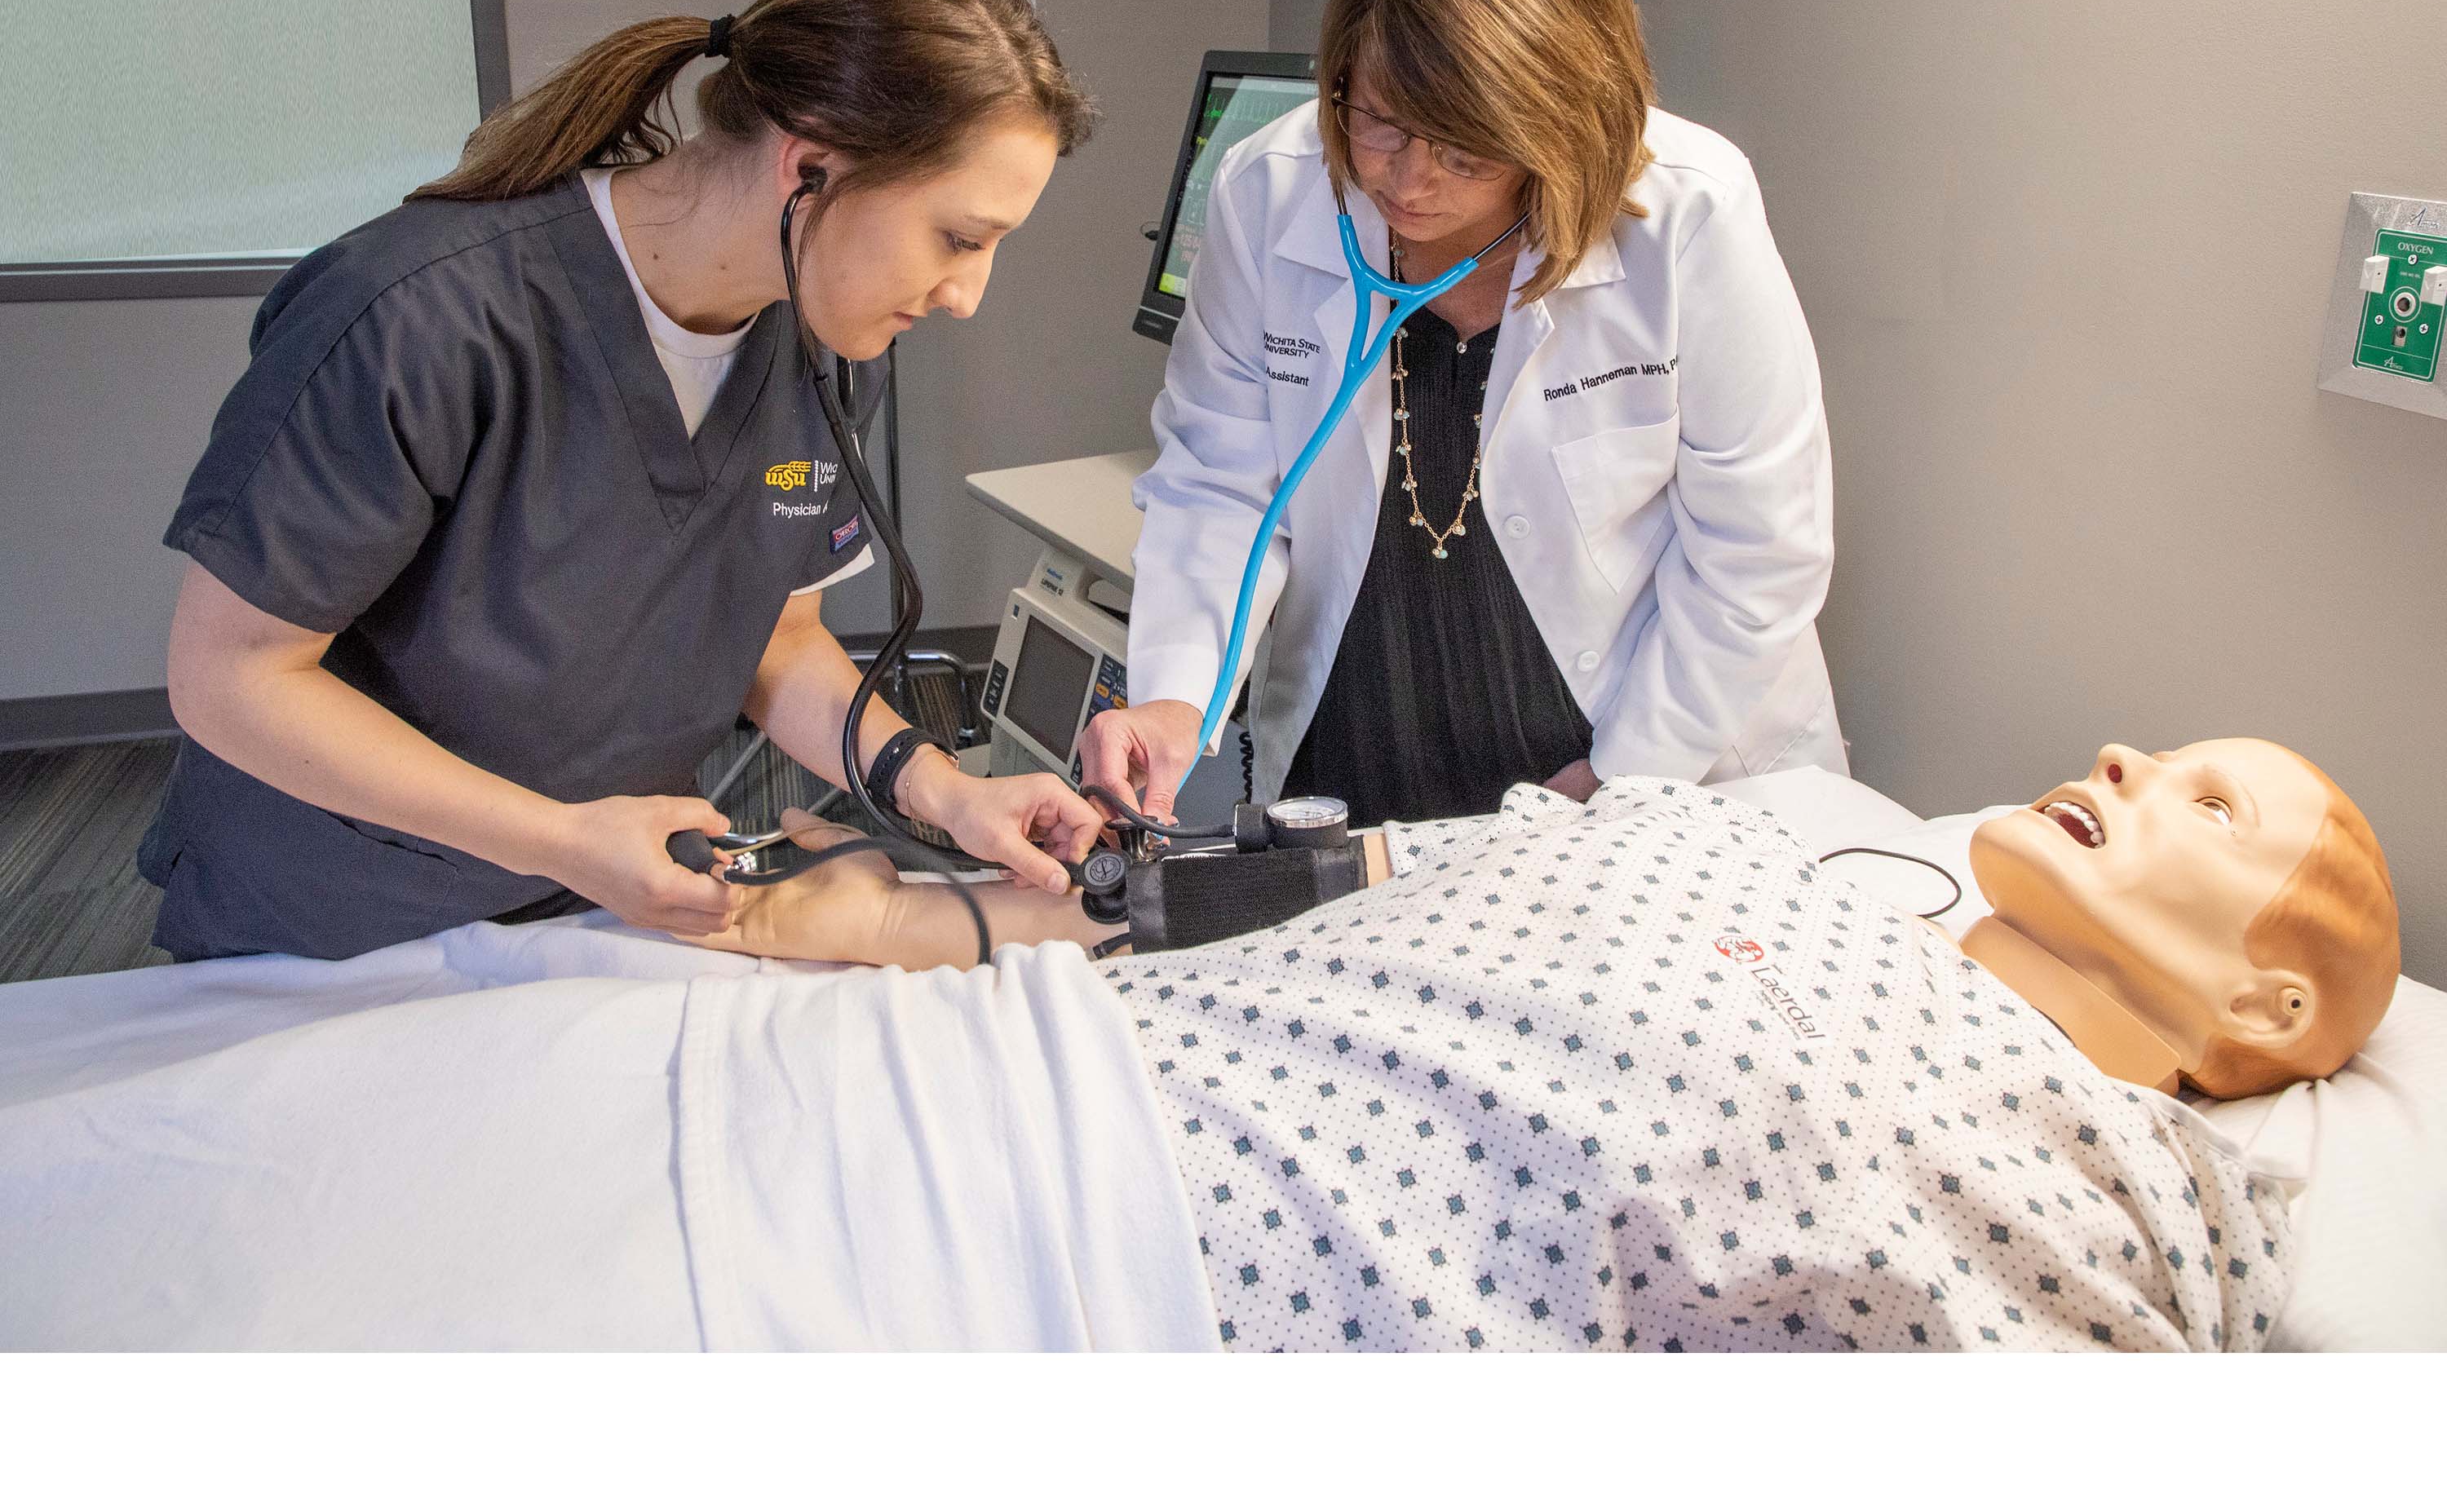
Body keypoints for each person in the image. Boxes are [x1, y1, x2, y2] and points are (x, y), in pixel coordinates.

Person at [666, 734, 2395, 1349]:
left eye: (2206, 803)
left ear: (2267, 1010)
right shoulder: (1745, 843)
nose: (2119, 762)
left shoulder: (2079, 1205)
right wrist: (925, 923)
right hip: (1000, 1073)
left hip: (1111, 1285)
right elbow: (1341, 874)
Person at [140, 0, 1106, 962]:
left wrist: (942, 792)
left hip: (607, 905)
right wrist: (560, 839)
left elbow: (774, 643)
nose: (967, 297)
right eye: (959, 239)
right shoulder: (419, 317)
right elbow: (232, 677)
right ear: (810, 169)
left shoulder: (826, 350)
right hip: (337, 922)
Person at [1081, 0, 1844, 835]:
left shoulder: (1690, 216)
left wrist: (1625, 777)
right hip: (1369, 746)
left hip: (1645, 754)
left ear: (1560, 124)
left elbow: (1758, 552)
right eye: (1382, 122)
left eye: (1467, 148)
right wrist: (1177, 695)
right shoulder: (1267, 195)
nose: (1410, 183)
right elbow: (1220, 478)